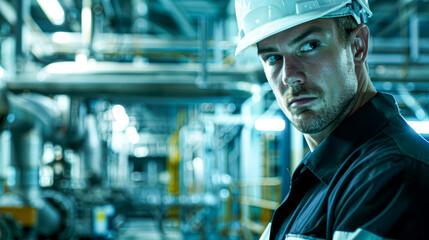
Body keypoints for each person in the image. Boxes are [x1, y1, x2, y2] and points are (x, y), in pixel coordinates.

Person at [234, 0, 429, 239]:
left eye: (309, 45)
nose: (288, 77)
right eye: (273, 58)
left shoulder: (390, 176)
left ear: (358, 46)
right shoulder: (324, 176)